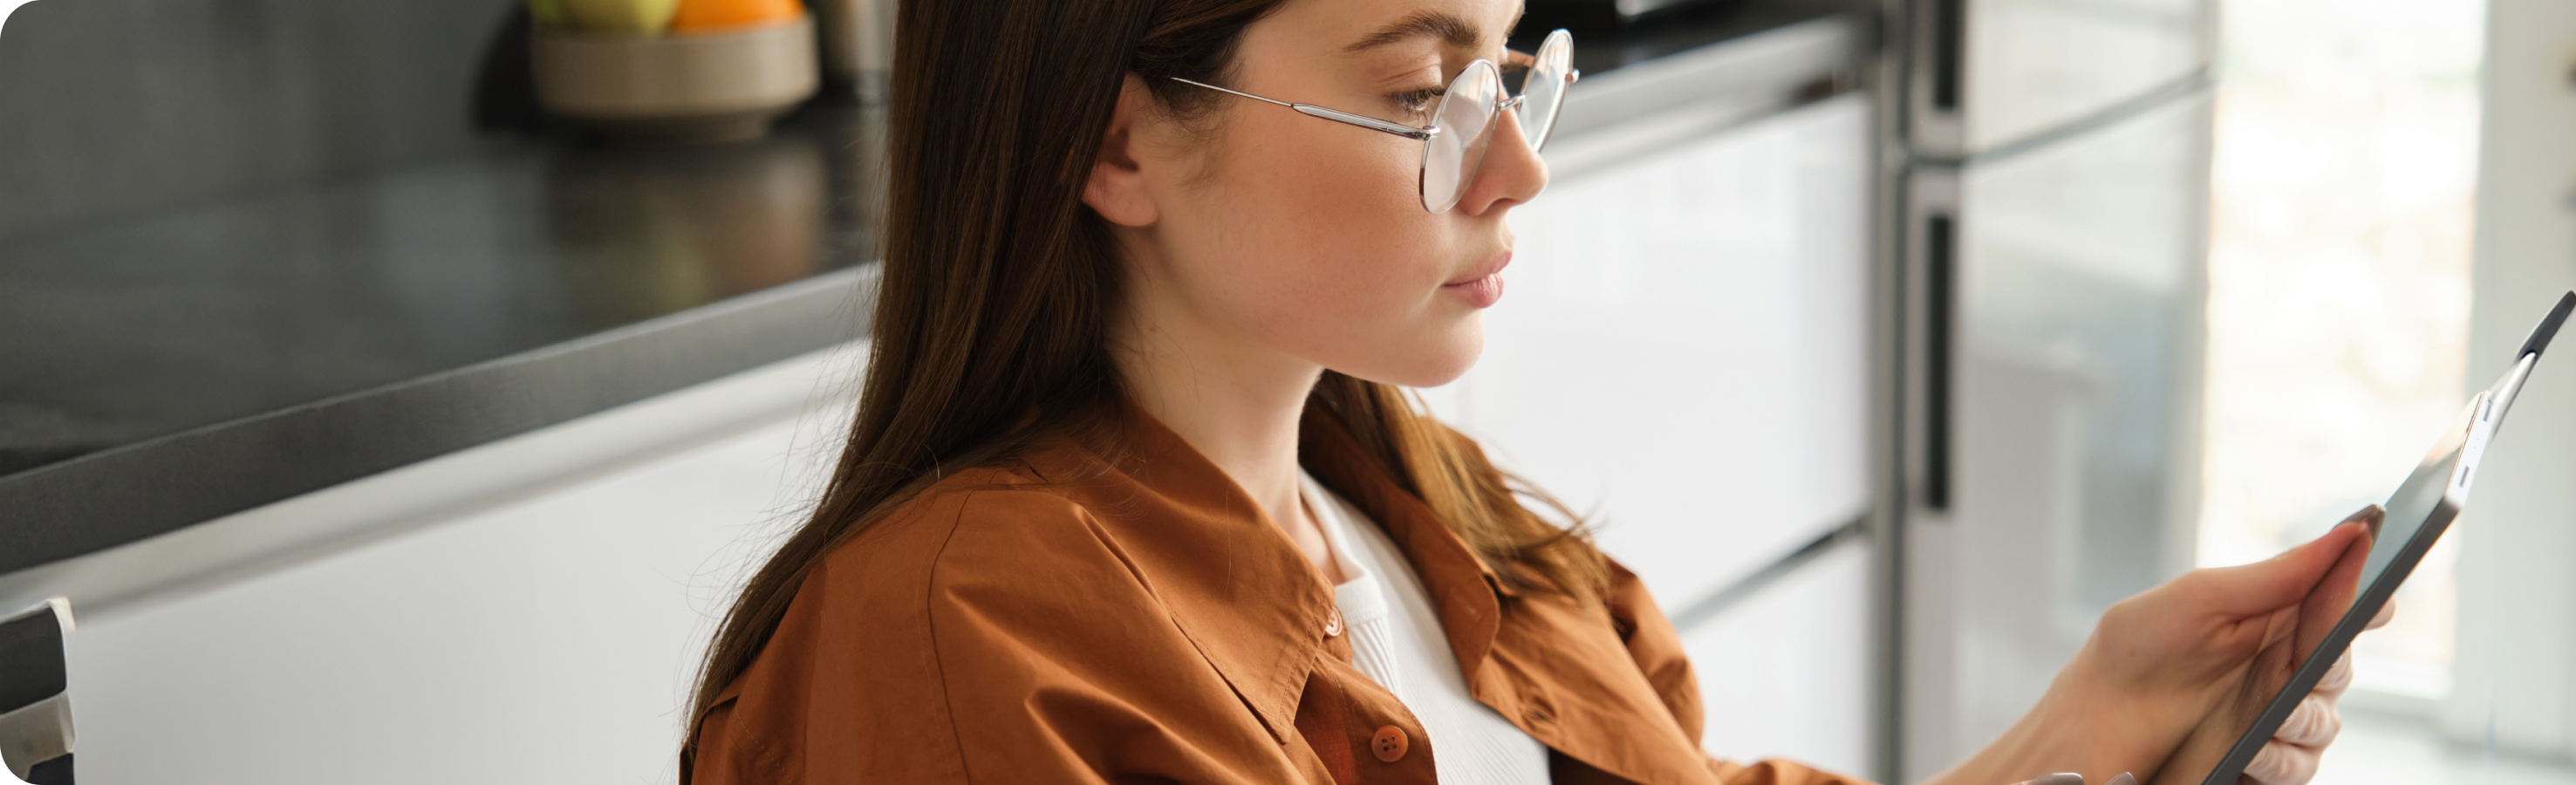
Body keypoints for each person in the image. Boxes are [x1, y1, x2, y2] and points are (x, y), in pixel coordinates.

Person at [677, 0, 2388, 782]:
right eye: (1425, 91)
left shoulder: (1420, 508)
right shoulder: (967, 637)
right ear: (1119, 137)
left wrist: (2084, 730)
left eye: (1514, 72)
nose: (1514, 167)